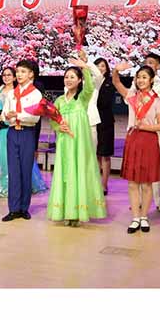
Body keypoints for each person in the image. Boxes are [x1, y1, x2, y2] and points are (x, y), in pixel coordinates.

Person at [0, 66, 47, 197]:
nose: (6, 77)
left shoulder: (18, 92)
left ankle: (17, 188)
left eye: (9, 75)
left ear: (15, 77)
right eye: (4, 75)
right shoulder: (0, 90)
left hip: (13, 127)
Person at [46, 58, 107, 226]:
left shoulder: (83, 98)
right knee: (65, 173)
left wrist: (84, 68)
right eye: (66, 77)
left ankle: (78, 212)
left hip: (79, 143)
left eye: (72, 77)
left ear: (79, 80)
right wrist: (58, 127)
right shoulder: (59, 100)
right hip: (64, 142)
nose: (68, 79)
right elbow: (52, 119)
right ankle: (67, 211)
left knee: (79, 171)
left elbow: (90, 87)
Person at [112, 62, 160, 233]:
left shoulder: (157, 101)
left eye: (144, 77)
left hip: (149, 141)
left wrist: (145, 127)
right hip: (133, 140)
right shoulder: (131, 97)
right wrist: (116, 70)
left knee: (147, 183)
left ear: (151, 80)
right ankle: (135, 217)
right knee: (132, 183)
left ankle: (144, 217)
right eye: (138, 77)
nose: (140, 80)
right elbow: (116, 82)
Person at [126, 52, 160, 212]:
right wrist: (136, 83)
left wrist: (145, 85)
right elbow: (130, 96)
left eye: (152, 62)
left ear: (158, 66)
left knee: (155, 169)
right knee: (138, 171)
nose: (148, 64)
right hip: (136, 133)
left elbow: (158, 102)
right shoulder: (137, 84)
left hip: (153, 131)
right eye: (146, 62)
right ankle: (139, 202)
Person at [0, 59, 42, 222]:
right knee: (13, 171)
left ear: (31, 74)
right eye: (17, 71)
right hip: (12, 132)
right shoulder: (11, 93)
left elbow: (35, 117)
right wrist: (7, 116)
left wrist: (17, 115)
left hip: (27, 133)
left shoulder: (35, 94)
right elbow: (4, 114)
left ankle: (24, 208)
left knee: (25, 170)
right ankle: (13, 208)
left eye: (23, 71)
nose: (19, 74)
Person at [94, 57, 115, 195]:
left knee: (105, 154)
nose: (100, 68)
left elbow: (104, 102)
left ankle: (104, 185)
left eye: (103, 66)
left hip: (106, 122)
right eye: (97, 66)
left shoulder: (109, 83)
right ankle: (95, 183)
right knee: (95, 154)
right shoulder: (90, 82)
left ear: (106, 68)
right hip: (92, 121)